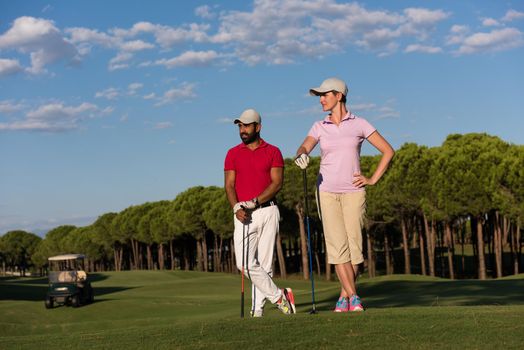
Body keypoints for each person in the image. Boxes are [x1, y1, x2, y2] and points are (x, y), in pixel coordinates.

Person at [294, 77, 394, 312]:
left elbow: (388, 150)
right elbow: (305, 145)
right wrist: (302, 154)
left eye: (325, 95)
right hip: (326, 192)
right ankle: (354, 297)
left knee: (355, 250)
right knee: (337, 248)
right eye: (319, 96)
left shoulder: (359, 123)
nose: (321, 99)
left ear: (338, 96)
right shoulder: (319, 126)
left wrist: (372, 179)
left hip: (354, 193)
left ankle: (343, 296)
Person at [224, 108, 296, 317]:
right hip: (243, 214)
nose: (242, 130)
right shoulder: (232, 153)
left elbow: (277, 183)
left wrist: (255, 202)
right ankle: (280, 297)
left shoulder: (273, 151)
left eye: (246, 125)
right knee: (244, 264)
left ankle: (257, 311)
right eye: (240, 126)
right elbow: (229, 185)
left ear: (258, 127)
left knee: (265, 263)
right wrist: (236, 207)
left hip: (268, 210)